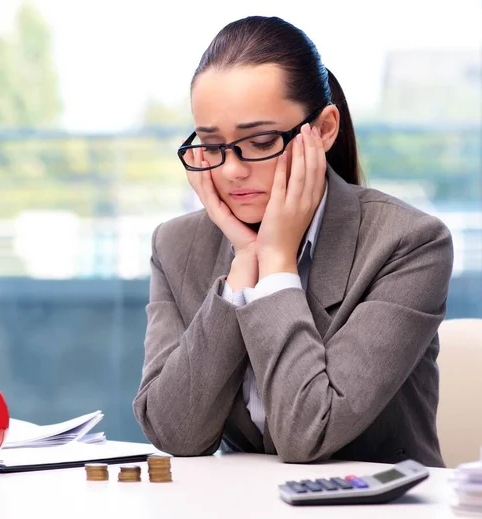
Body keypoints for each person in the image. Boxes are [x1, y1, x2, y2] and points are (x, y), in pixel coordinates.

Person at [132, 15, 453, 467]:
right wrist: (243, 266)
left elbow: (310, 433)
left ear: (322, 129)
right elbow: (174, 432)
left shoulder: (409, 244)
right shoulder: (176, 244)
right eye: (211, 144)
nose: (231, 170)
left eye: (260, 141)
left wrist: (276, 265)